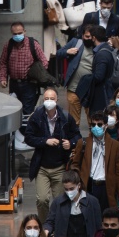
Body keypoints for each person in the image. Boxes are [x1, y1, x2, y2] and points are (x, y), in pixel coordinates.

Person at [25, 89, 81, 222]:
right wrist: (45, 141)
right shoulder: (36, 117)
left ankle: (58, 227)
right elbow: (29, 138)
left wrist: (70, 143)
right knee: (42, 199)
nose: (49, 101)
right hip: (42, 167)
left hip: (60, 167)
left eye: (51, 98)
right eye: (46, 99)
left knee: (60, 202)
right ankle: (45, 226)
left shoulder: (66, 117)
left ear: (56, 100)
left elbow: (77, 135)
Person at [71, 112, 119, 214]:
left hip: (106, 188)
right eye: (93, 125)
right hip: (89, 186)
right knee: (88, 218)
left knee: (106, 217)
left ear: (106, 126)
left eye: (99, 124)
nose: (96, 127)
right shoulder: (83, 143)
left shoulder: (115, 145)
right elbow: (75, 165)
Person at [62, 25, 116, 129]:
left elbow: (99, 76)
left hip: (99, 94)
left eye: (90, 36)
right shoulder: (104, 50)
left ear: (94, 38)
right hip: (78, 91)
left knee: (95, 122)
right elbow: (60, 52)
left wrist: (85, 80)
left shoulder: (101, 54)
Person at [45, 171, 103, 237]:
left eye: (71, 188)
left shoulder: (92, 202)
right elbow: (50, 221)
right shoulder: (58, 202)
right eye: (66, 189)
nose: (69, 192)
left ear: (79, 185)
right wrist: (46, 230)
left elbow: (98, 226)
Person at [0, 22, 48, 126]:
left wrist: (38, 74)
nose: (17, 36)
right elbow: (3, 63)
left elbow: (44, 61)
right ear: (11, 33)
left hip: (29, 84)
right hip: (14, 84)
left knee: (27, 112)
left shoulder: (32, 44)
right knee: (14, 111)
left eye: (19, 33)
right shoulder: (8, 45)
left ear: (24, 31)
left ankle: (26, 137)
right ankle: (16, 137)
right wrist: (3, 78)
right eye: (15, 34)